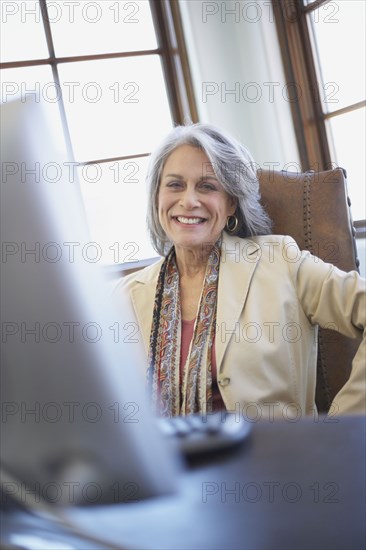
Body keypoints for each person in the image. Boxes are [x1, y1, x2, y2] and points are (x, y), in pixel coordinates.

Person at [114, 123, 366, 419]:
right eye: (175, 185)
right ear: (157, 197)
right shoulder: (125, 297)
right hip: (164, 464)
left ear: (231, 202)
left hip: (276, 459)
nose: (189, 200)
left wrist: (341, 424)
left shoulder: (281, 262)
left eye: (207, 186)